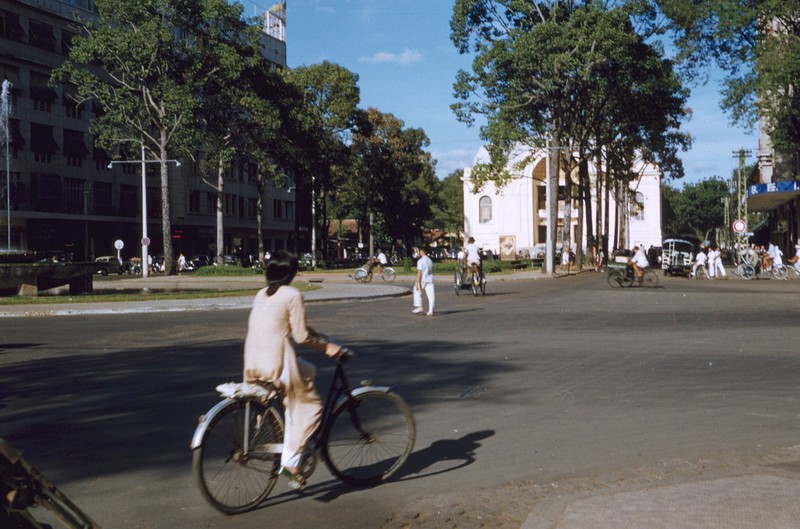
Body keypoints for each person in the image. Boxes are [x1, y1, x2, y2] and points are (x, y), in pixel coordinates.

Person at [242, 250, 342, 490]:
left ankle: (290, 427)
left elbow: (295, 325)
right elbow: (300, 336)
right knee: (312, 406)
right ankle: (291, 462)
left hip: (253, 363)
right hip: (277, 363)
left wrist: (317, 335)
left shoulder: (262, 294)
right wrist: (328, 346)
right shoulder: (293, 294)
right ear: (291, 273)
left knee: (308, 371)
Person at [412, 247, 435, 316]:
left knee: (416, 290)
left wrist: (417, 282)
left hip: (422, 280)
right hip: (430, 279)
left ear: (421, 252)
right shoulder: (430, 260)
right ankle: (431, 310)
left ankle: (419, 307)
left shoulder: (420, 261)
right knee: (431, 295)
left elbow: (419, 272)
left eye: (419, 251)